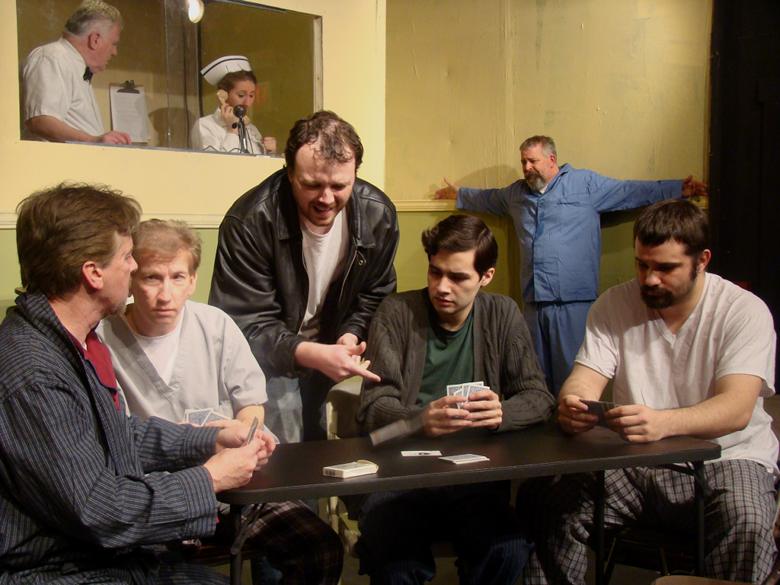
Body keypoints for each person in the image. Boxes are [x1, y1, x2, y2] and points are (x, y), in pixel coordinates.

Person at [0, 183, 274, 583]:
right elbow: (101, 510)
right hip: (60, 571)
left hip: (102, 558)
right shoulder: (34, 371)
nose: (132, 269)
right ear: (93, 273)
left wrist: (207, 441)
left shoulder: (69, 342)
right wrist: (211, 477)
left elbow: (115, 434)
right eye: (128, 258)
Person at [518, 199, 778, 584]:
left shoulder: (743, 311)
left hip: (729, 460)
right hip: (635, 465)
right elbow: (585, 379)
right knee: (548, 501)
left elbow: (736, 408)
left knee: (748, 520)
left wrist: (662, 423)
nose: (650, 279)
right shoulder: (613, 304)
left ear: (702, 260)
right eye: (642, 264)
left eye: (666, 268)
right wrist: (573, 403)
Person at [97, 219, 343, 584]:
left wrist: (246, 431)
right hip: (159, 498)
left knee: (319, 547)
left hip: (235, 492)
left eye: (178, 277)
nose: (165, 294)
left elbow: (252, 404)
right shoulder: (102, 339)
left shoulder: (215, 325)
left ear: (193, 280)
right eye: (152, 278)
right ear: (132, 277)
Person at [355, 215, 554, 585]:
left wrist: (501, 413)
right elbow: (372, 406)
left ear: (486, 276)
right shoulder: (396, 313)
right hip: (401, 477)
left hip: (474, 477)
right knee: (395, 561)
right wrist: (419, 420)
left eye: (458, 277)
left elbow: (538, 396)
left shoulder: (502, 313)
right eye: (435, 272)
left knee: (507, 550)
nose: (441, 287)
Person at [435, 135, 708, 395]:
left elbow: (630, 191)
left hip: (573, 303)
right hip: (532, 302)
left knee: (574, 377)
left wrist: (678, 189)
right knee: (531, 375)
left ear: (551, 159)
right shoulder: (515, 195)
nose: (527, 168)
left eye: (533, 161)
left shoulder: (586, 184)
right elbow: (488, 199)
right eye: (523, 162)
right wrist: (458, 194)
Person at [210, 110, 400, 443]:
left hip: (334, 345)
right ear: (288, 172)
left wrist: (350, 333)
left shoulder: (378, 213)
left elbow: (377, 292)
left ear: (356, 174)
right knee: (282, 455)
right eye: (312, 184)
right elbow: (243, 323)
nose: (326, 199)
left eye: (340, 186)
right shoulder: (250, 220)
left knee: (328, 449)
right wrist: (309, 353)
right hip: (269, 358)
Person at [22, 0, 131, 144]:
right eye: (114, 44)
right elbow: (40, 121)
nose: (115, 52)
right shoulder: (52, 57)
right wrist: (94, 140)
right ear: (95, 39)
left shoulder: (72, 65)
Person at [191, 55, 277, 155]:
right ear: (223, 95)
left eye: (251, 95)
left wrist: (271, 152)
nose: (247, 102)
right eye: (241, 95)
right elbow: (214, 165)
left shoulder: (251, 129)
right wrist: (232, 130)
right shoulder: (205, 125)